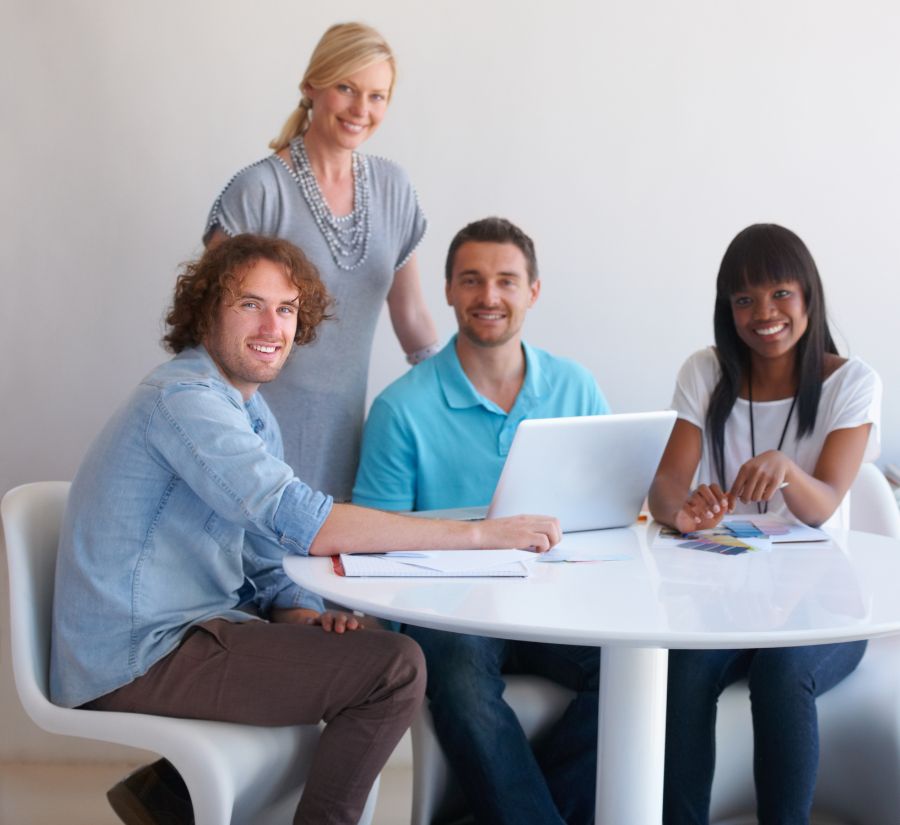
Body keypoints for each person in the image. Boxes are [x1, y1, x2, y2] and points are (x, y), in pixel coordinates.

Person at [50, 234, 561, 825]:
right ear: (206, 310)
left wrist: (297, 611)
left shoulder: (250, 411)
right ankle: (176, 795)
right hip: (139, 654)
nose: (273, 326)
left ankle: (166, 795)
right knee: (394, 670)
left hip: (192, 632)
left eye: (287, 309)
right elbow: (303, 521)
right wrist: (478, 535)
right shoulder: (185, 400)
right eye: (250, 304)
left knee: (370, 657)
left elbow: (267, 545)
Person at [353, 217, 608, 825]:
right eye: (471, 280)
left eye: (506, 281)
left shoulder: (576, 387)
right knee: (462, 682)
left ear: (533, 291)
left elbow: (611, 514)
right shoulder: (401, 408)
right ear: (447, 290)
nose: (488, 296)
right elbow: (374, 546)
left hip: (560, 605)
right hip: (452, 614)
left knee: (648, 674)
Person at [648, 223, 882, 825]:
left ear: (808, 297)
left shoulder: (852, 382)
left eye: (780, 294)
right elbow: (665, 485)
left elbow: (822, 504)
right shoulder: (705, 372)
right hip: (729, 599)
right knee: (683, 668)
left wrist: (786, 469)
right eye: (744, 299)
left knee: (780, 673)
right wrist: (682, 512)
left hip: (826, 605)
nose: (764, 313)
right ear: (727, 310)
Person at [204, 22, 438, 501]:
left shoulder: (394, 188)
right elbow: (207, 321)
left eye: (377, 96)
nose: (361, 109)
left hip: (347, 439)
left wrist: (459, 392)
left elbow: (412, 317)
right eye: (346, 88)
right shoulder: (259, 191)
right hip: (253, 436)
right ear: (312, 85)